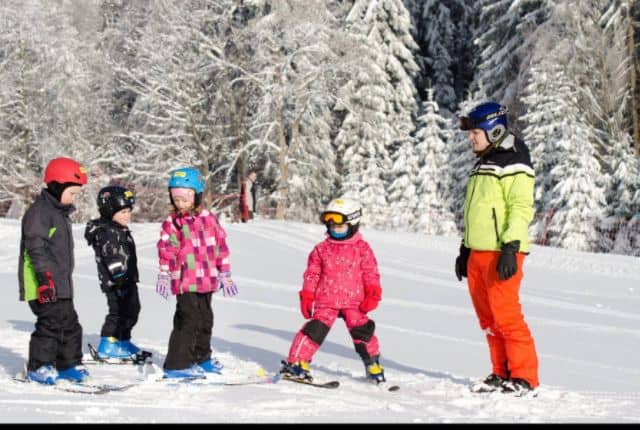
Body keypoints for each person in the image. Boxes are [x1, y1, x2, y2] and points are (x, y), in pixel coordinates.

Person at [456, 101, 538, 395]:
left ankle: (524, 378)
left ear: (495, 130)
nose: (471, 138)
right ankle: (501, 372)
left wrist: (511, 247)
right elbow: (476, 210)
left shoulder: (514, 159)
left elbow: (520, 206)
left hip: (503, 251)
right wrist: (464, 249)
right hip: (478, 252)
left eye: (475, 132)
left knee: (507, 316)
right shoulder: (484, 161)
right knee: (489, 319)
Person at [279, 198, 385, 384]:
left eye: (340, 226)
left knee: (363, 333)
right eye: (332, 225)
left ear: (352, 225)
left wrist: (373, 293)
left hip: (355, 302)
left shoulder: (362, 249)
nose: (335, 229)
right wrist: (307, 295)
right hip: (326, 300)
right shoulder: (321, 250)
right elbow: (312, 274)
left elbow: (371, 273)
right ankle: (296, 363)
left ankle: (372, 363)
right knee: (313, 332)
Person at [156, 167, 239, 379]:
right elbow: (166, 250)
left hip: (207, 280)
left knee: (205, 320)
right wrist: (164, 274)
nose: (180, 204)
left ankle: (201, 358)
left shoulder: (209, 219)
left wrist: (225, 272)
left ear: (196, 196)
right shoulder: (172, 223)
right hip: (185, 281)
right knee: (188, 320)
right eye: (176, 200)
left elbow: (221, 246)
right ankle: (177, 365)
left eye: (184, 199)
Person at [18, 157, 90, 384]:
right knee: (50, 325)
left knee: (70, 324)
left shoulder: (59, 213)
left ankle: (68, 364)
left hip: (60, 284)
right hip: (43, 284)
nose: (73, 198)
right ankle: (39, 367)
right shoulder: (40, 212)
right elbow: (35, 248)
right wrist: (44, 279)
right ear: (57, 186)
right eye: (72, 192)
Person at [84, 185, 145, 360]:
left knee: (132, 309)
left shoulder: (118, 229)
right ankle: (108, 343)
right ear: (109, 211)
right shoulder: (107, 232)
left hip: (127, 279)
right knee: (118, 312)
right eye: (123, 212)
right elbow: (111, 256)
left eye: (128, 211)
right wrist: (119, 276)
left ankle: (122, 340)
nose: (127, 216)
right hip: (116, 281)